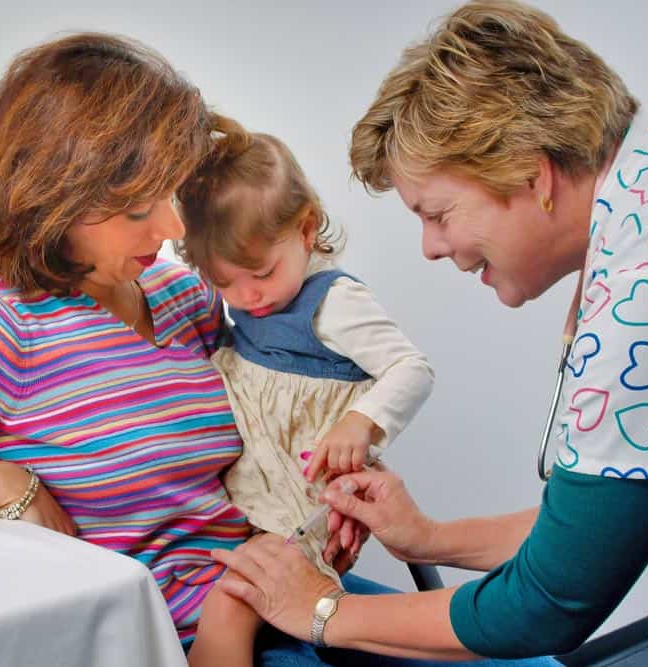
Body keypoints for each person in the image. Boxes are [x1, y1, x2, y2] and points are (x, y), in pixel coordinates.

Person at [0, 29, 554, 667]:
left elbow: (273, 415)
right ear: (57, 200)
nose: (175, 231)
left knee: (533, 660)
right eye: (137, 209)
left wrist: (329, 477)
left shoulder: (185, 300)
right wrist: (1, 482)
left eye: (173, 194)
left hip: (286, 589)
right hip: (188, 634)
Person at [210, 0, 648, 661]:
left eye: (439, 212)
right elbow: (608, 534)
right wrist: (427, 536)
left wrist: (321, 608)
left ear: (533, 174)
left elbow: (544, 606)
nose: (429, 246)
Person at [173, 120, 434, 666]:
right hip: (255, 493)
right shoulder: (244, 297)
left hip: (306, 493)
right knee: (242, 588)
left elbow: (411, 369)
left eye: (261, 273)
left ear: (307, 229)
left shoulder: (331, 303)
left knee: (248, 595)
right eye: (225, 283)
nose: (247, 297)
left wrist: (361, 421)